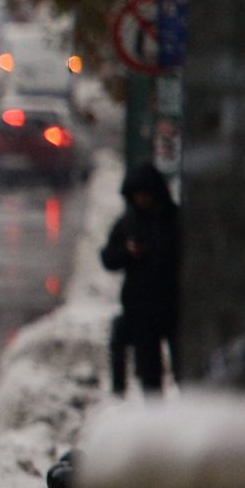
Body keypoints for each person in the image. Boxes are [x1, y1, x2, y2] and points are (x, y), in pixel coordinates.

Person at [100, 163, 182, 396]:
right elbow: (108, 258)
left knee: (183, 368)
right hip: (141, 308)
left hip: (173, 304)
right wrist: (127, 253)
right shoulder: (128, 223)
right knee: (149, 374)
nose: (141, 200)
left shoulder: (175, 220)